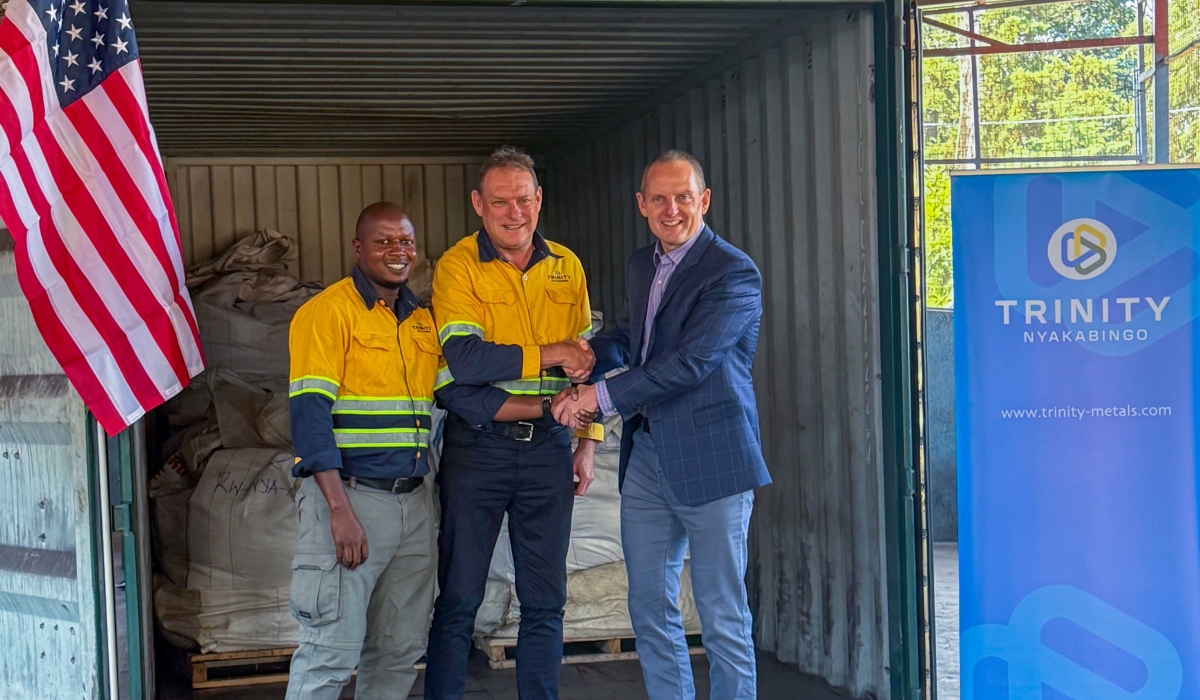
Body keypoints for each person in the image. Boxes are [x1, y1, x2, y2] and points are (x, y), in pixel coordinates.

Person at [556, 150, 771, 700]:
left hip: (713, 459)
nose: (670, 209)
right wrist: (587, 352)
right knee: (648, 604)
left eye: (682, 197)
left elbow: (691, 363)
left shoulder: (732, 272)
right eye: (658, 198)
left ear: (704, 200)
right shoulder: (641, 265)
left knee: (721, 612)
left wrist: (595, 396)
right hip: (648, 457)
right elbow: (636, 338)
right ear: (641, 205)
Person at [424, 146, 603, 700]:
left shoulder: (565, 266)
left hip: (550, 450)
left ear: (539, 199)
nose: (514, 212)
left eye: (523, 199)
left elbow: (587, 362)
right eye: (499, 201)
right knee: (458, 599)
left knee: (546, 602)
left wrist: (588, 441)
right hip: (479, 452)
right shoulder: (457, 266)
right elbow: (466, 361)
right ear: (479, 204)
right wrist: (549, 354)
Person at [284, 202, 439, 700]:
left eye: (407, 242)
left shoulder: (420, 322)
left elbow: (456, 395)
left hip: (413, 504)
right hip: (353, 499)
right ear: (358, 248)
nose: (398, 252)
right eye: (384, 242)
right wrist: (338, 510)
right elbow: (309, 418)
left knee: (397, 652)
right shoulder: (327, 313)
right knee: (329, 652)